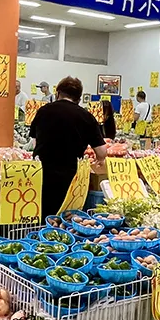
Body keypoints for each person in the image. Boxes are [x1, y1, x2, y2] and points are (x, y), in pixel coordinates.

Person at [30, 76, 107, 216]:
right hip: (70, 176)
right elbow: (102, 152)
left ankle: (39, 235)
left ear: (58, 93)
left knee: (43, 214)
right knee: (65, 218)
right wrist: (100, 159)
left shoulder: (43, 111)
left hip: (42, 173)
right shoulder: (86, 116)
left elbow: (34, 141)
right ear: (78, 98)